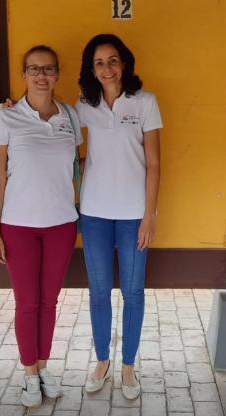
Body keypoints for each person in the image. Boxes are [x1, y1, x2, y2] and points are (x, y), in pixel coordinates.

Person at [0, 45, 82, 408]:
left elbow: (75, 167)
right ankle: (28, 374)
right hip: (18, 226)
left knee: (50, 302)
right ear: (24, 76)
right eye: (33, 69)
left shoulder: (70, 117)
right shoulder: (6, 119)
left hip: (60, 225)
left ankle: (43, 367)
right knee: (27, 303)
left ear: (57, 75)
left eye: (48, 69)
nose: (41, 76)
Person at [76, 34, 162, 400]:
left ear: (124, 63)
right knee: (98, 292)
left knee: (133, 292)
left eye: (112, 60)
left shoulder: (144, 102)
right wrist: (15, 106)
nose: (107, 68)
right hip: (93, 213)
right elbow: (48, 119)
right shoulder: (83, 106)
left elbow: (155, 163)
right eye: (99, 63)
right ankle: (101, 362)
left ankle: (128, 367)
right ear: (91, 71)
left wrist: (149, 215)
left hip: (132, 216)